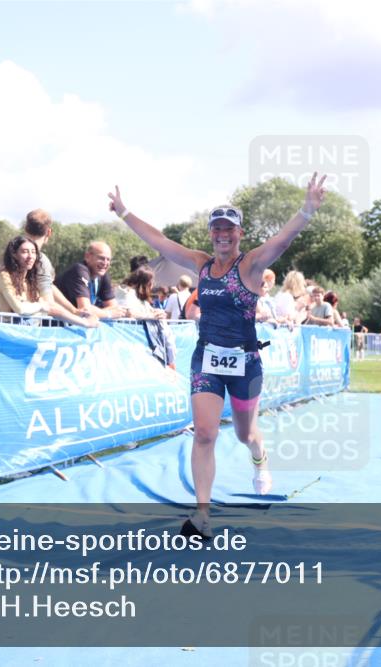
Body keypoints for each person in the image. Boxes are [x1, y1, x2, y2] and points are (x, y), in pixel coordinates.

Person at [108, 173, 327, 539]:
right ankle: (203, 515)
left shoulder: (253, 264)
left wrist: (306, 210)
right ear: (211, 233)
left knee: (245, 434)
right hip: (207, 358)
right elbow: (159, 240)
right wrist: (125, 212)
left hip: (245, 362)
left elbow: (282, 240)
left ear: (239, 233)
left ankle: (260, 459)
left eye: (229, 229)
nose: (223, 235)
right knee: (205, 434)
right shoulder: (201, 264)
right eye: (217, 229)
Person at [0, 236, 96, 328]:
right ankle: (85, 323)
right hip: (12, 331)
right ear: (14, 254)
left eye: (33, 252)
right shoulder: (5, 276)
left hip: (31, 330)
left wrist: (75, 312)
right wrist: (42, 306)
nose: (30, 256)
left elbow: (50, 305)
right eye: (25, 252)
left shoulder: (30, 280)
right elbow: (20, 309)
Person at [23, 208, 86, 318]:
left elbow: (48, 286)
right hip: (26, 325)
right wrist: (82, 321)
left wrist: (74, 310)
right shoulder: (40, 260)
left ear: (25, 228)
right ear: (49, 232)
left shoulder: (12, 252)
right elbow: (49, 305)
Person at [55, 241, 128, 319]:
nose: (105, 263)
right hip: (55, 326)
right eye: (101, 258)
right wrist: (108, 314)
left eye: (108, 259)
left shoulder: (103, 274)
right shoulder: (79, 270)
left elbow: (114, 307)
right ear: (87, 257)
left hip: (76, 323)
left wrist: (99, 312)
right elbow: (85, 309)